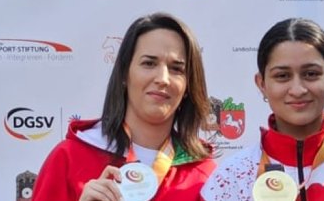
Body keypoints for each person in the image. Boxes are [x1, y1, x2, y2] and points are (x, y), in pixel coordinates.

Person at [201, 17, 324, 201]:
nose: (298, 90)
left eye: (311, 74)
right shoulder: (230, 178)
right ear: (261, 83)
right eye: (282, 76)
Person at [33, 12, 216, 201]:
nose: (162, 79)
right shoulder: (69, 158)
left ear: (188, 85)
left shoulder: (206, 175)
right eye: (149, 63)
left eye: (176, 69)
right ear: (123, 74)